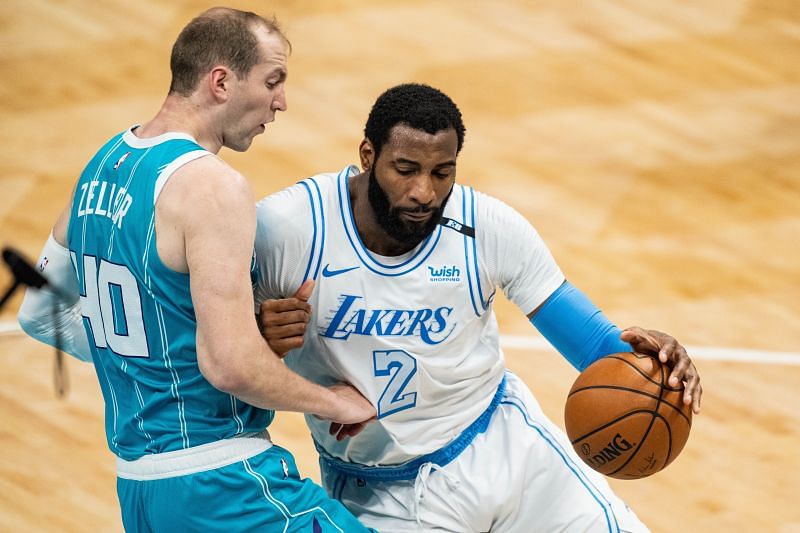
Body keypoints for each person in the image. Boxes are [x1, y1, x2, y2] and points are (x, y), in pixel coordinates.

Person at [253, 83, 703, 532]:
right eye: (405, 170)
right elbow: (202, 358)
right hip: (383, 494)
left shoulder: (486, 226)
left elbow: (594, 345)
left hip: (507, 451)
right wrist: (258, 336)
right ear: (368, 155)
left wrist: (657, 366)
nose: (424, 192)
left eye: (441, 172)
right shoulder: (287, 230)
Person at [16, 8, 375, 532]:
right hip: (223, 485)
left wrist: (158, 361)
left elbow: (38, 311)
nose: (282, 102)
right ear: (221, 81)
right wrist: (333, 403)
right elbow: (229, 367)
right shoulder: (212, 187)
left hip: (140, 490)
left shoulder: (100, 166)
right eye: (272, 81)